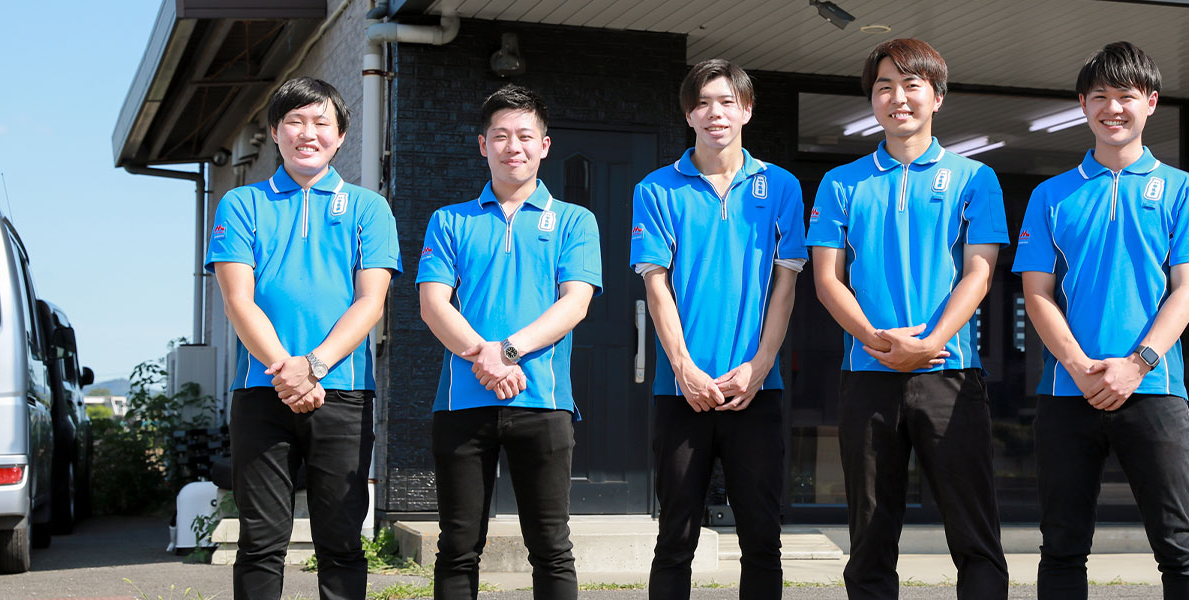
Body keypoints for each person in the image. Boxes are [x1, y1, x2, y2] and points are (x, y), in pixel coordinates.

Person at [1011, 41, 1189, 599]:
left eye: (1126, 95)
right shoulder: (1051, 195)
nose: (1113, 108)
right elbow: (1037, 294)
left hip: (1155, 389)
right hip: (1067, 392)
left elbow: (1188, 289)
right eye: (1099, 96)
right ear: (1083, 105)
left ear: (1151, 102)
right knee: (1061, 548)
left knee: (1180, 549)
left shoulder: (1184, 190)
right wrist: (1079, 367)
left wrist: (1137, 363)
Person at [806, 38, 1009, 599]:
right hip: (868, 374)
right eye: (884, 86)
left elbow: (979, 274)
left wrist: (929, 342)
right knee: (870, 536)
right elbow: (827, 280)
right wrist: (877, 339)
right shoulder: (841, 183)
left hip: (950, 373)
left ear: (937, 97)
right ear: (872, 99)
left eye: (911, 85)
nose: (898, 98)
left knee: (974, 531)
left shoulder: (975, 179)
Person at [207, 76, 401, 600]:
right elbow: (238, 300)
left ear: (341, 136)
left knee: (341, 541)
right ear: (275, 132)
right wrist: (287, 370)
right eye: (294, 121)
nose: (307, 133)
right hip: (261, 390)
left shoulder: (369, 208)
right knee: (259, 542)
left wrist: (313, 365)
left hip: (344, 392)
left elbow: (371, 301)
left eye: (321, 122)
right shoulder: (241, 203)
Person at [416, 84, 603, 600]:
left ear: (544, 145)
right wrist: (487, 356)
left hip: (543, 400)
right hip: (462, 401)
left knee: (551, 547)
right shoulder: (449, 220)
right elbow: (433, 305)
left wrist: (508, 351)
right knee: (457, 546)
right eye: (500, 136)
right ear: (483, 145)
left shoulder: (575, 220)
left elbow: (575, 303)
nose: (512, 146)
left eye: (524, 135)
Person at [630, 58, 806, 599]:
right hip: (680, 391)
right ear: (688, 114)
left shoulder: (781, 186)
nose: (715, 113)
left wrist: (760, 366)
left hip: (757, 390)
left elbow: (785, 284)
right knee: (675, 539)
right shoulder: (656, 189)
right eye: (703, 103)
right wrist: (683, 368)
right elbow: (657, 286)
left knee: (762, 540)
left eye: (728, 101)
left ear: (747, 110)